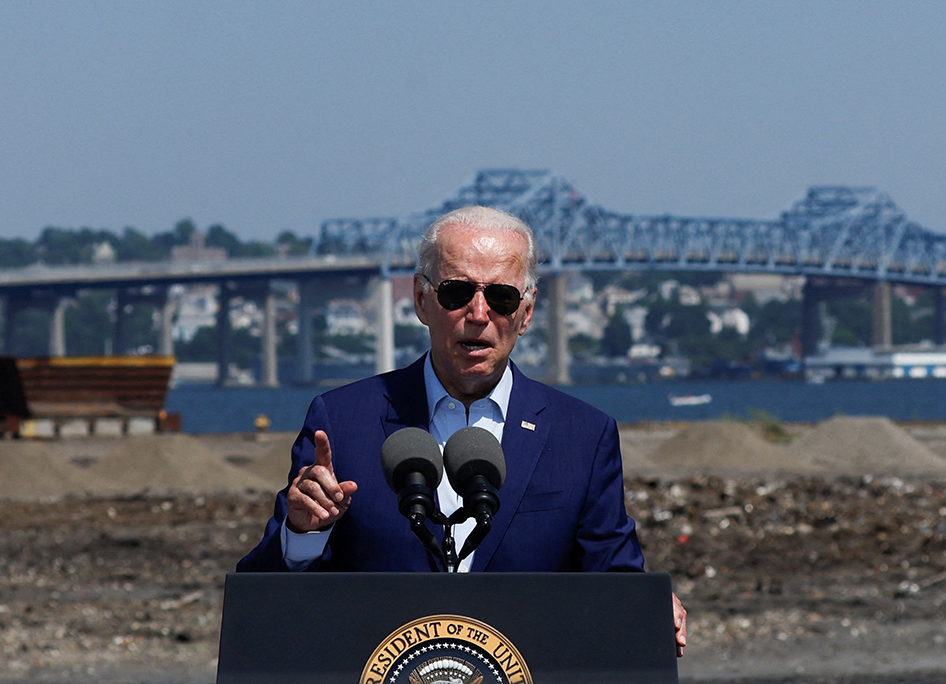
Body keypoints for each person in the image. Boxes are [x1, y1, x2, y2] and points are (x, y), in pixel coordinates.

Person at [237, 205, 687, 656]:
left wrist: (645, 607)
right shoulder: (340, 422)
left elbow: (612, 574)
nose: (478, 313)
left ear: (526, 313)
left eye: (502, 298)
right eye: (456, 293)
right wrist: (303, 534)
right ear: (420, 300)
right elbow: (262, 597)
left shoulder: (584, 436)